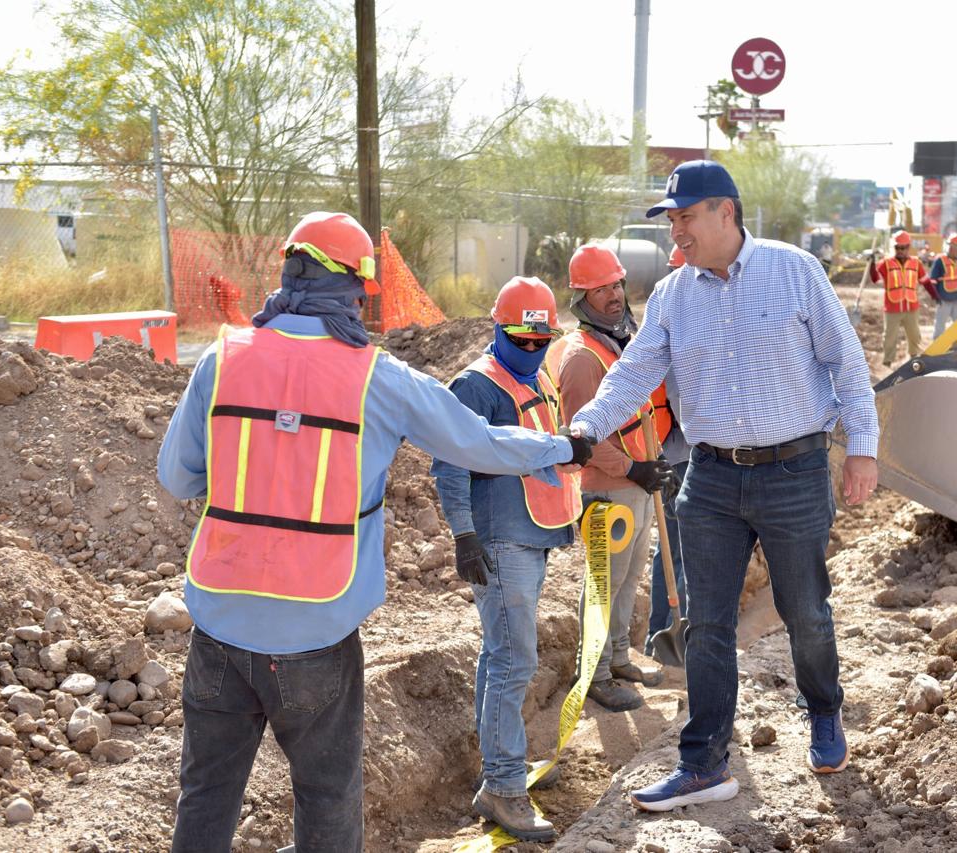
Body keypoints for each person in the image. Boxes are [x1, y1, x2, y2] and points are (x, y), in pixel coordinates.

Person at [156, 212, 592, 852]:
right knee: (327, 798)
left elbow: (177, 477)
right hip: (316, 629)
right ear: (354, 290)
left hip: (218, 623)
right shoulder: (376, 377)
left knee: (205, 796)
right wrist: (562, 448)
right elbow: (478, 443)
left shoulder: (221, 358)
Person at [568, 160, 879, 812]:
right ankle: (704, 762)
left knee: (805, 610)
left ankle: (824, 709)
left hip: (794, 471)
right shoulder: (672, 295)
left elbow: (846, 362)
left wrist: (862, 449)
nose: (676, 230)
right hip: (709, 477)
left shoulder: (795, 271)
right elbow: (633, 372)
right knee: (705, 623)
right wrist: (587, 424)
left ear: (725, 213)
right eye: (672, 219)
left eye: (685, 216)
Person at [430, 276, 580, 842]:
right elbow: (449, 464)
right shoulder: (476, 385)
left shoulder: (537, 375)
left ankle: (502, 768)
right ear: (499, 330)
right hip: (499, 540)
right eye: (523, 340)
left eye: (542, 342)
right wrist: (463, 534)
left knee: (504, 656)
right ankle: (504, 786)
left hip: (532, 534)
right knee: (513, 660)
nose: (534, 349)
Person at [545, 244, 675, 713]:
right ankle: (595, 674)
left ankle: (618, 656)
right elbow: (579, 436)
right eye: (601, 289)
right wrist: (631, 468)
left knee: (627, 580)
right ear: (582, 297)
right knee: (604, 584)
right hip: (608, 488)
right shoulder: (583, 358)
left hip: (636, 486)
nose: (614, 295)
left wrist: (647, 467)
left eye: (616, 284)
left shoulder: (618, 344)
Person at [644, 245, 689, 657]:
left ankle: (668, 631)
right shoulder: (675, 326)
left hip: (678, 452)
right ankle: (668, 633)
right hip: (678, 456)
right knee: (678, 547)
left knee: (675, 547)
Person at [870, 231, 927, 366]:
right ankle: (887, 362)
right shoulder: (886, 263)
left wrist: (935, 294)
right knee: (890, 337)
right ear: (894, 247)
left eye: (903, 247)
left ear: (908, 247)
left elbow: (925, 280)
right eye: (897, 247)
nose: (900, 250)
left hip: (911, 306)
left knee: (914, 335)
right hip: (892, 307)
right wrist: (872, 263)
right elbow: (875, 279)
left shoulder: (916, 262)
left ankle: (914, 359)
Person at [928, 233, 957, 337]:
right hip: (944, 299)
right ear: (951, 247)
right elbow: (933, 280)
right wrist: (935, 296)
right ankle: (937, 346)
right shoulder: (940, 261)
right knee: (940, 327)